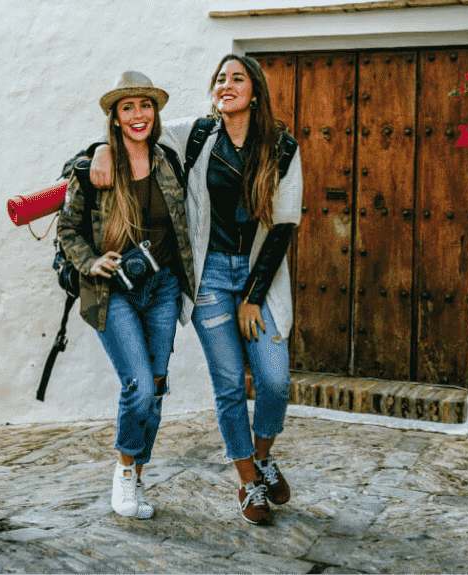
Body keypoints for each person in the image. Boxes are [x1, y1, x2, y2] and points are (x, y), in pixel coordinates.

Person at [89, 55, 303, 526]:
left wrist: (252, 296)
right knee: (228, 384)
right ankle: (248, 483)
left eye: (237, 78)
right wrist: (101, 151)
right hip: (209, 279)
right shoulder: (198, 134)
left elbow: (284, 226)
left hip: (258, 279)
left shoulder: (282, 147)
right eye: (220, 79)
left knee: (274, 381)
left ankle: (263, 455)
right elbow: (134, 133)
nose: (226, 85)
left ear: (255, 91)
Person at [56, 71, 194, 519]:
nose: (139, 115)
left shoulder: (170, 161)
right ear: (115, 117)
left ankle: (137, 472)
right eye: (128, 107)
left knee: (154, 386)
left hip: (162, 288)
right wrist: (90, 262)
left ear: (156, 113)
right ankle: (123, 472)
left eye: (146, 106)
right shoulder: (94, 168)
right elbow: (68, 229)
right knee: (136, 385)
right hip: (112, 291)